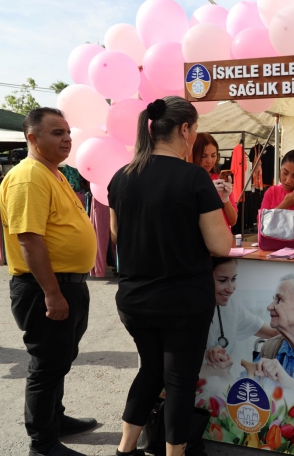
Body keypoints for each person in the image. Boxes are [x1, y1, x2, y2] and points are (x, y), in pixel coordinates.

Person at [108, 97, 233, 456]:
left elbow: (117, 234)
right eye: (194, 130)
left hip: (135, 300)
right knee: (178, 382)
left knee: (150, 371)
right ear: (184, 130)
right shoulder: (193, 177)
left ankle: (125, 449)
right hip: (182, 301)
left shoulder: (122, 176)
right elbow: (220, 244)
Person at [0, 108, 97, 456]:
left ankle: (55, 419)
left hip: (68, 283)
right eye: (57, 133)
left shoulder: (52, 173)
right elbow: (29, 239)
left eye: (68, 132)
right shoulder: (29, 177)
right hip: (45, 287)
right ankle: (42, 442)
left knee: (60, 358)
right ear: (32, 138)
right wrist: (52, 294)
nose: (67, 138)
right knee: (46, 364)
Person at [200, 257, 278, 382]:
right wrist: (209, 370)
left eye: (233, 279)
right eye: (222, 280)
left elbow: (272, 332)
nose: (231, 289)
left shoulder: (231, 306)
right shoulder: (181, 315)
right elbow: (172, 376)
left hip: (217, 392)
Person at [191, 132, 238, 227]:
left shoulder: (219, 179)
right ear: (193, 155)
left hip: (223, 237)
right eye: (203, 156)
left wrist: (225, 199)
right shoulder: (188, 180)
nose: (209, 161)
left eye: (213, 155)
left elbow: (232, 221)